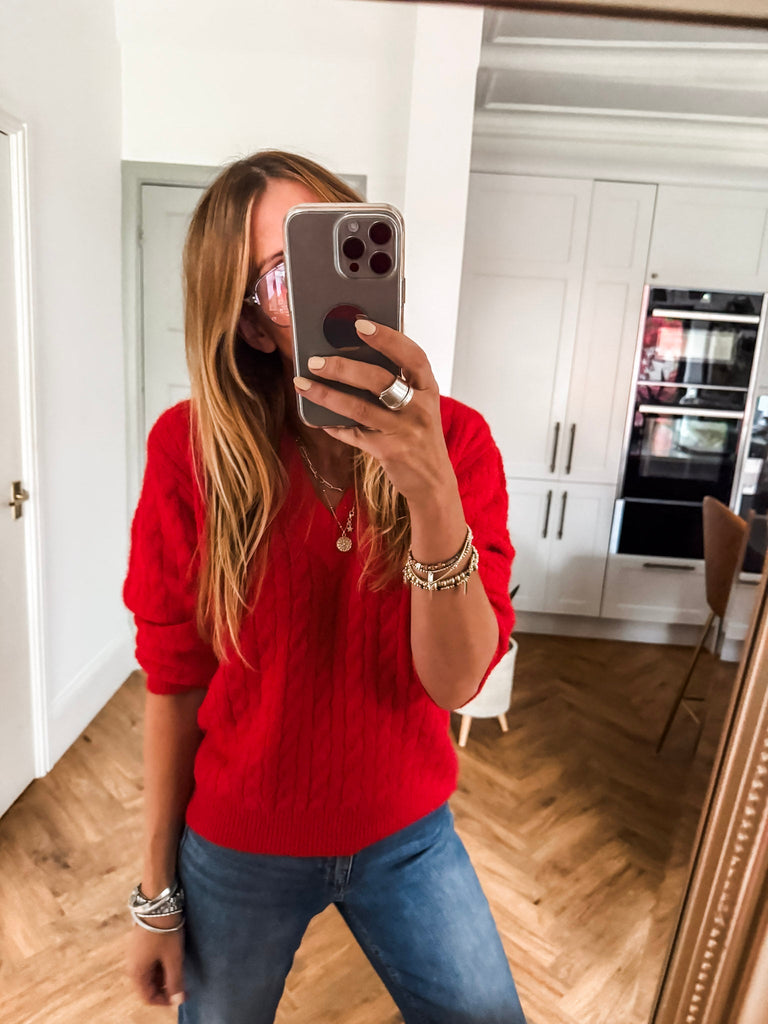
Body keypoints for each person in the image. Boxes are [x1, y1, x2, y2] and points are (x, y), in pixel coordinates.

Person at [123, 150, 526, 1024]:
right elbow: (174, 679)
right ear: (253, 326)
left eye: (340, 251)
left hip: (409, 835)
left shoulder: (458, 444)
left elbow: (457, 681)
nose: (326, 296)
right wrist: (156, 894)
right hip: (239, 844)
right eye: (285, 274)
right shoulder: (190, 453)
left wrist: (431, 492)